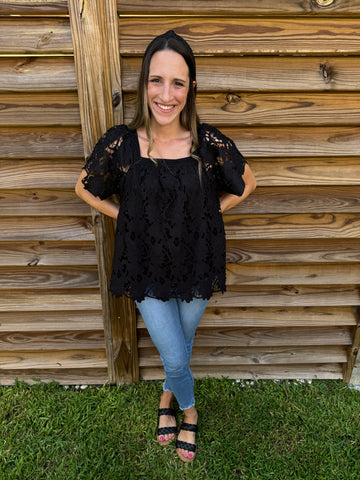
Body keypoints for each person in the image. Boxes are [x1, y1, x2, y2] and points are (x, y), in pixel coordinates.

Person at [75, 30, 256, 463]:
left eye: (177, 82)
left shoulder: (206, 143)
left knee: (182, 344)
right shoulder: (122, 142)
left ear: (191, 88)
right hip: (144, 265)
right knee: (174, 351)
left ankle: (165, 400)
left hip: (197, 260)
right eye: (157, 80)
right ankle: (188, 410)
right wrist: (128, 218)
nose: (166, 94)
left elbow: (248, 181)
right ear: (144, 83)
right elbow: (84, 188)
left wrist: (210, 213)